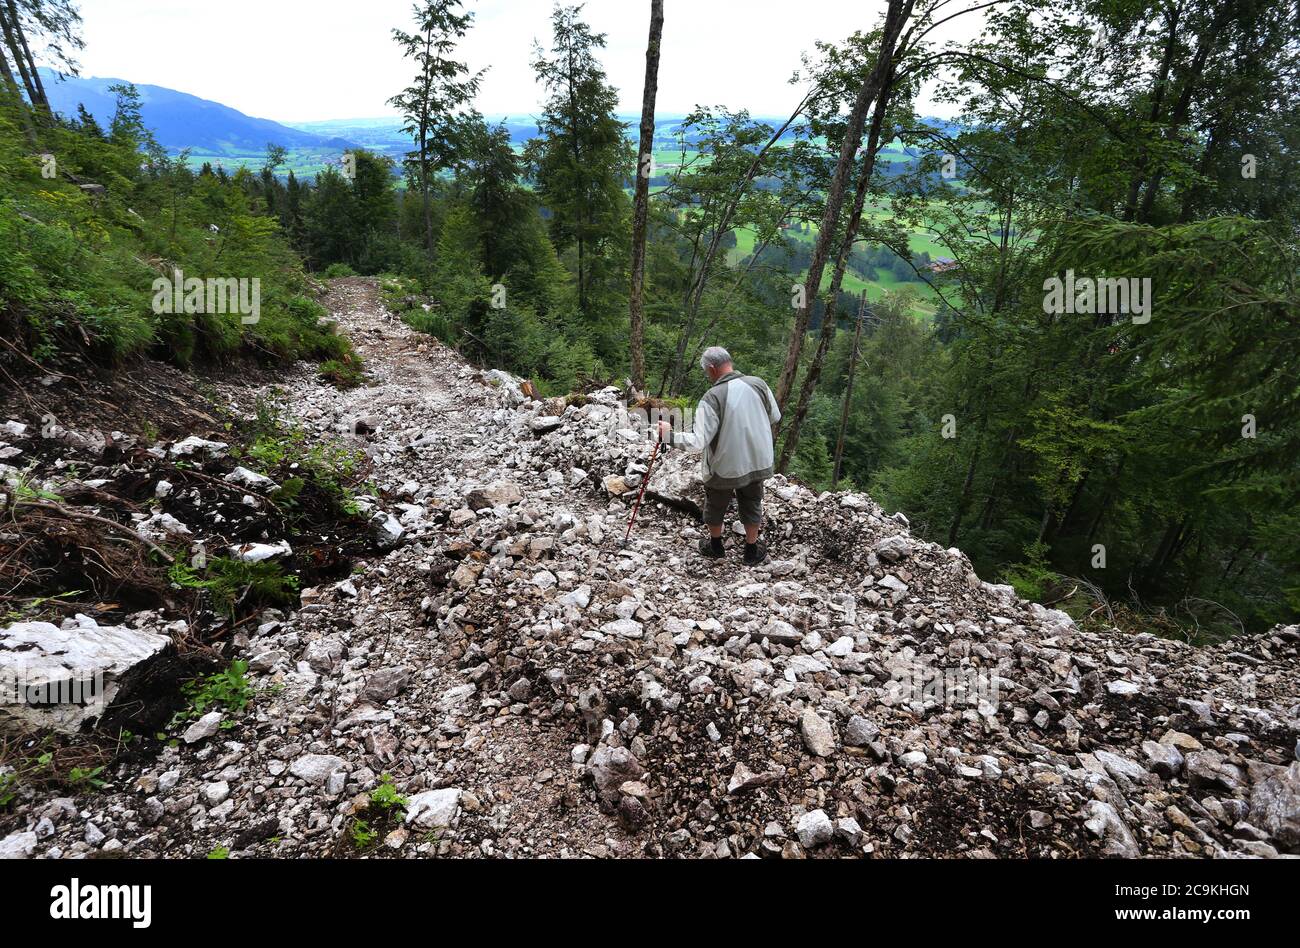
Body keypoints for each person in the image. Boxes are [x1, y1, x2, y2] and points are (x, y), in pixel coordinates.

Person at [658, 347, 780, 565]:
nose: (707, 375)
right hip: (758, 461)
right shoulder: (758, 384)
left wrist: (669, 435)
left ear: (712, 368)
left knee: (715, 505)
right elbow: (774, 416)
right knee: (752, 502)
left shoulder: (712, 397)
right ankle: (751, 550)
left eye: (707, 371)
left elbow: (698, 441)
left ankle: (715, 546)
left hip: (725, 466)